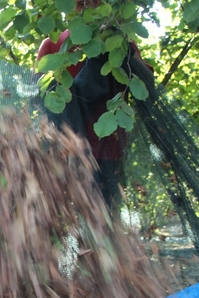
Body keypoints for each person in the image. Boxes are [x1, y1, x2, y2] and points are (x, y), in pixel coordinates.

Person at [37, 0, 152, 210]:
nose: (85, 5)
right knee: (65, 215)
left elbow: (146, 85)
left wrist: (122, 45)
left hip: (107, 150)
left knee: (105, 214)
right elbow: (38, 96)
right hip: (65, 150)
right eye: (79, 3)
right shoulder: (52, 45)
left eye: (92, 1)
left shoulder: (118, 41)